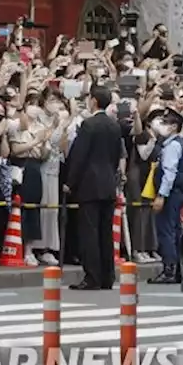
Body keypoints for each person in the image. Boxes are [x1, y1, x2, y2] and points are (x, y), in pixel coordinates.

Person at [63, 85, 124, 290]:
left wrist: (70, 182)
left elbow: (79, 156)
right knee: (105, 233)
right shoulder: (114, 126)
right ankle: (108, 276)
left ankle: (92, 277)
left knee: (89, 232)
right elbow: (116, 157)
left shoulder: (89, 125)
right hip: (108, 184)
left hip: (89, 185)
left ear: (94, 101)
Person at [149, 109, 183, 284]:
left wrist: (161, 195)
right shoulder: (180, 143)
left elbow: (169, 173)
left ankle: (169, 270)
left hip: (171, 193)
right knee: (174, 231)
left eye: (165, 123)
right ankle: (177, 270)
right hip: (178, 193)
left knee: (166, 231)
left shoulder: (173, 146)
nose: (161, 126)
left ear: (173, 127)